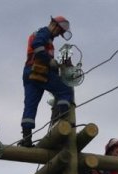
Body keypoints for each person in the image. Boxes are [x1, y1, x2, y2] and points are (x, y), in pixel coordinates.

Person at [19, 16, 74, 147]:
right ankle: (63, 121)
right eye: (59, 31)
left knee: (30, 104)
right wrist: (49, 61)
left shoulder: (44, 37)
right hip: (39, 70)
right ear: (53, 25)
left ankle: (27, 138)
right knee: (65, 89)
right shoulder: (44, 33)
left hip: (29, 73)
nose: (58, 34)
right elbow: (37, 46)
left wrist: (56, 66)